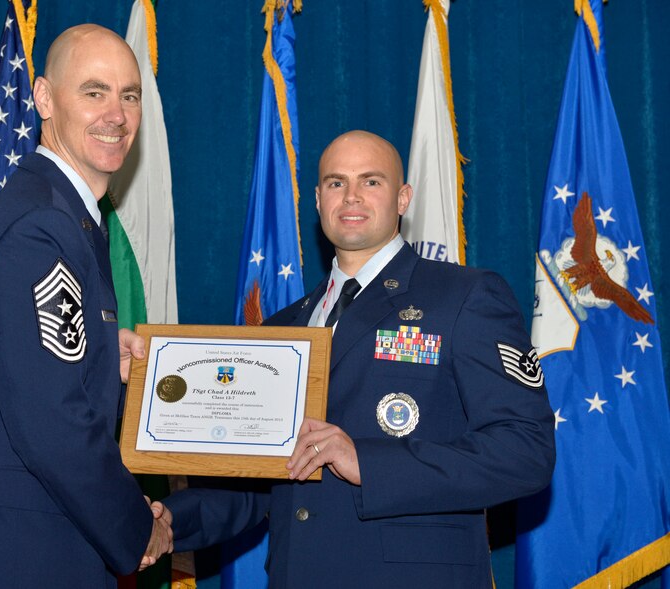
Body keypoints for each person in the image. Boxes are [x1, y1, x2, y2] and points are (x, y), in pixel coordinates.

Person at [163, 131, 555, 588]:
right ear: (317, 199)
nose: (351, 196)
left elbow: (525, 451)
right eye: (336, 182)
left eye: (371, 181)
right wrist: (167, 523)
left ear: (403, 198)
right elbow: (260, 479)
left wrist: (367, 463)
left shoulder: (464, 296)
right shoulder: (282, 328)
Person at [0, 25, 171, 589]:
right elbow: (54, 423)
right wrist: (136, 529)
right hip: (18, 558)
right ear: (45, 99)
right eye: (95, 92)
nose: (117, 115)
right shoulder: (41, 227)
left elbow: (29, 371)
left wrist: (101, 353)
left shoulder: (61, 216)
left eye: (129, 96)